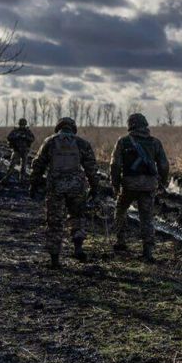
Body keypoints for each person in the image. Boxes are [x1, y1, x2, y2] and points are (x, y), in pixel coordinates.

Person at [29, 117, 100, 269]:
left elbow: (38, 164)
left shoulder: (50, 142)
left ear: (58, 127)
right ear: (73, 128)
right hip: (77, 188)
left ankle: (55, 260)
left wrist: (33, 184)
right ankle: (78, 248)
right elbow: (92, 169)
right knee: (77, 217)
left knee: (54, 222)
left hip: (56, 188)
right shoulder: (81, 143)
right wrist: (95, 188)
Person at [110, 112, 169, 263]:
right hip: (148, 186)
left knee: (120, 209)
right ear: (145, 125)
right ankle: (148, 251)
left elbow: (115, 165)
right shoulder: (155, 142)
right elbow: (164, 165)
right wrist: (163, 183)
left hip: (128, 185)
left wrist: (115, 185)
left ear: (130, 125)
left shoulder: (123, 141)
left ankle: (121, 241)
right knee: (146, 217)